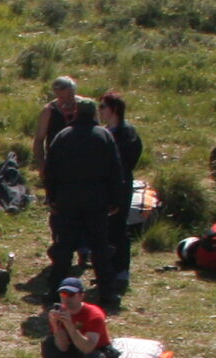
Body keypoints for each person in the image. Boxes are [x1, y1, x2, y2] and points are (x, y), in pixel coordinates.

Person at [35, 97, 125, 307]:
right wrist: (115, 199)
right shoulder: (104, 136)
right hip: (97, 199)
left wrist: (52, 197)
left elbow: (50, 170)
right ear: (93, 114)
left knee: (64, 247)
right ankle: (107, 293)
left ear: (76, 112)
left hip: (68, 199)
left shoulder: (63, 135)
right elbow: (115, 170)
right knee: (100, 247)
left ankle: (55, 290)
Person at [40, 275, 128, 358]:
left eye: (71, 294)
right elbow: (62, 347)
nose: (67, 298)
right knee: (49, 343)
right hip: (74, 355)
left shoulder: (94, 315)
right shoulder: (60, 314)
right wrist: (56, 326)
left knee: (93, 357)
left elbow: (88, 348)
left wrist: (70, 325)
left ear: (81, 296)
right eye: (63, 294)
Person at [95, 91, 141, 308]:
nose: (100, 111)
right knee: (106, 229)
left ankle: (121, 271)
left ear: (113, 109)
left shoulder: (126, 133)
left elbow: (127, 161)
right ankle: (109, 270)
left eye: (103, 107)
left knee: (118, 228)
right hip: (105, 187)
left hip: (120, 186)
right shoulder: (107, 131)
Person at [30, 74, 85, 180]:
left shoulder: (85, 107)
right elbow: (39, 140)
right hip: (57, 162)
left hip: (81, 162)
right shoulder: (49, 111)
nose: (65, 101)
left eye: (69, 96)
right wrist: (42, 165)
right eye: (60, 97)